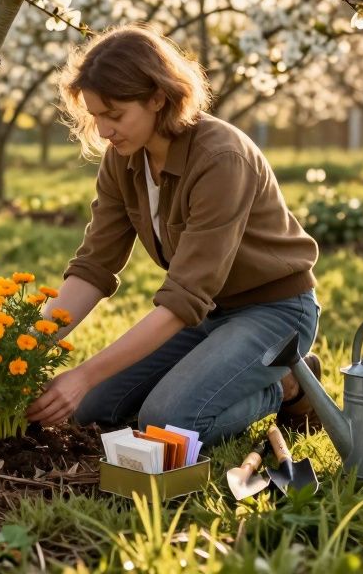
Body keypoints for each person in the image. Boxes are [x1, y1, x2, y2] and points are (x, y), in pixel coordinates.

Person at [26, 24, 323, 443]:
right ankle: (235, 374)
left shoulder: (222, 158)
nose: (104, 130)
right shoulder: (123, 159)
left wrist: (82, 374)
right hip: (209, 314)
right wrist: (28, 347)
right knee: (92, 410)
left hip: (275, 313)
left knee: (165, 426)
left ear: (157, 98)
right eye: (95, 116)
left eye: (114, 115)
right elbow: (95, 265)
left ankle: (287, 386)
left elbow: (184, 296)